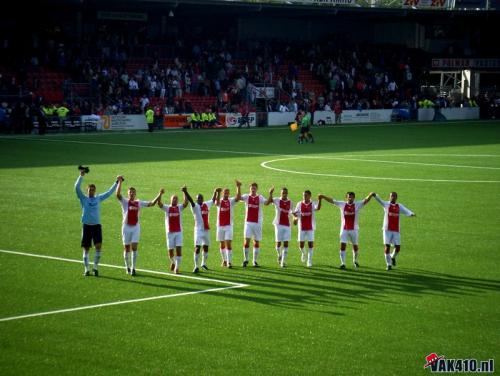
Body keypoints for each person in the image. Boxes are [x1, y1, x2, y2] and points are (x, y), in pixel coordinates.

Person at [75, 169, 120, 276]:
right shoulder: (83, 199)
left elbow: (109, 192)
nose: (91, 191)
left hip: (96, 226)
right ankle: (86, 269)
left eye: (93, 190)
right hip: (86, 226)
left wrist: (116, 182)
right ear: (87, 191)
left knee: (98, 246)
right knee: (86, 249)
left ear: (95, 191)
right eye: (90, 190)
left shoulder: (98, 198)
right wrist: (81, 176)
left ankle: (95, 268)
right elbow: (76, 188)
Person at [116, 178, 162, 276]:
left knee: (134, 248)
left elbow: (151, 204)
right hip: (126, 227)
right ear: (128, 194)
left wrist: (160, 194)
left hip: (135, 227)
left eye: (133, 192)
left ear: (135, 194)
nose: (131, 194)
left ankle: (133, 268)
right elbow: (118, 195)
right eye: (130, 192)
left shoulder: (139, 202)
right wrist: (119, 182)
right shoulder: (125, 202)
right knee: (126, 248)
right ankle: (127, 267)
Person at [319, 192, 375, 269]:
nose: (350, 198)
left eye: (352, 197)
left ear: (354, 198)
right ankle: (343, 263)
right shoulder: (342, 204)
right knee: (342, 245)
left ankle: (355, 261)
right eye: (349, 197)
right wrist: (323, 196)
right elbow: (332, 200)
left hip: (354, 229)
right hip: (344, 229)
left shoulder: (357, 204)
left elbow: (365, 201)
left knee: (355, 246)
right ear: (346, 198)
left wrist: (371, 195)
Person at [373, 192, 416, 270]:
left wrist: (411, 213)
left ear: (396, 197)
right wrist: (375, 195)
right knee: (387, 246)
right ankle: (388, 265)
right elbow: (380, 201)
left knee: (398, 248)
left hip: (396, 230)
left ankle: (392, 257)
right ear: (389, 197)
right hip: (386, 229)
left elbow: (406, 210)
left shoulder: (399, 206)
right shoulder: (386, 204)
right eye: (391, 196)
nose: (393, 197)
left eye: (394, 196)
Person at [184, 186, 221, 273]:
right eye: (198, 198)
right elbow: (190, 200)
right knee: (197, 247)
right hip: (198, 230)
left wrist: (215, 191)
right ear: (196, 200)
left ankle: (203, 263)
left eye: (201, 198)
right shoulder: (194, 206)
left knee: (206, 247)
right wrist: (185, 192)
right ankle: (196, 266)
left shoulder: (206, 204)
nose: (200, 199)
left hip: (206, 229)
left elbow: (213, 200)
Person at [240, 182, 273, 267]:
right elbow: (238, 198)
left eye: (254, 188)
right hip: (248, 222)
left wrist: (270, 194)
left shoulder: (260, 197)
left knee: (256, 241)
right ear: (249, 189)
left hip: (257, 222)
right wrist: (238, 187)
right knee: (246, 241)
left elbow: (267, 203)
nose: (253, 189)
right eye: (252, 188)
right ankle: (246, 259)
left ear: (257, 189)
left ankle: (254, 261)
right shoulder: (246, 197)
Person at [158, 186, 189, 274]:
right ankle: (173, 262)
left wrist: (184, 192)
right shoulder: (167, 208)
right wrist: (160, 194)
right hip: (169, 233)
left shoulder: (179, 207)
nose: (175, 200)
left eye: (176, 199)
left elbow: (186, 203)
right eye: (173, 199)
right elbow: (159, 204)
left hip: (179, 232)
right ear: (170, 200)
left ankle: (177, 268)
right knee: (170, 253)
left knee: (179, 250)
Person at [215, 181, 242, 268]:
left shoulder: (230, 201)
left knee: (228, 243)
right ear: (223, 193)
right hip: (220, 226)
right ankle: (224, 260)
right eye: (225, 192)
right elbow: (217, 203)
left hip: (229, 225)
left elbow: (238, 198)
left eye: (227, 192)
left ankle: (229, 262)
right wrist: (218, 193)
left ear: (229, 193)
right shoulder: (220, 201)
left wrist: (238, 187)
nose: (226, 194)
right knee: (222, 244)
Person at [293, 190, 321, 267]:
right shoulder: (299, 204)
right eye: (303, 195)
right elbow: (295, 214)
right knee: (301, 245)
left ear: (309, 196)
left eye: (306, 195)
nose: (304, 197)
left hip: (310, 227)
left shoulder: (312, 204)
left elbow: (318, 208)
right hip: (301, 227)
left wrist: (320, 200)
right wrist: (295, 219)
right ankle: (304, 253)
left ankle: (309, 261)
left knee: (310, 244)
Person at [270, 187, 293, 267]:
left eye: (285, 193)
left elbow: (292, 212)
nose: (284, 194)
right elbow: (269, 201)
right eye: (283, 193)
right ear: (281, 193)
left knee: (286, 243)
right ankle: (279, 255)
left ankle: (283, 261)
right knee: (278, 243)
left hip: (287, 225)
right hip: (278, 224)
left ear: (287, 193)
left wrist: (295, 217)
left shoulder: (290, 202)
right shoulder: (277, 200)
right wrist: (270, 193)